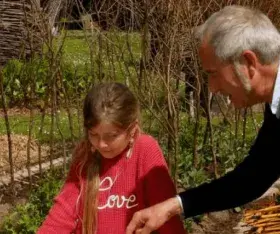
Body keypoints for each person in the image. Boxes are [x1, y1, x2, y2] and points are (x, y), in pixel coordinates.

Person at [126, 5, 280, 234]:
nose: (212, 88)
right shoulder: (275, 105)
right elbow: (253, 177)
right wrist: (173, 206)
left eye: (213, 74)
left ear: (248, 63)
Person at [37, 82, 186, 234]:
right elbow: (62, 214)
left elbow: (166, 216)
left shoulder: (146, 150)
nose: (101, 144)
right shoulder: (85, 155)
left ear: (132, 130)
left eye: (111, 136)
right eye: (93, 134)